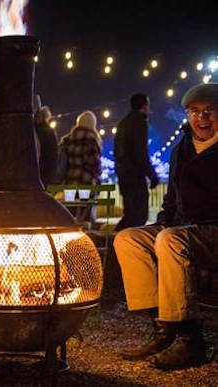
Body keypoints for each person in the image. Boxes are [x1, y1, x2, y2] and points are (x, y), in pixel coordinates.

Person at [114, 83, 218, 370]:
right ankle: (163, 328)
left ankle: (190, 340)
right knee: (128, 239)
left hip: (212, 230)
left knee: (170, 240)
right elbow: (172, 198)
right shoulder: (181, 150)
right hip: (183, 229)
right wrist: (162, 222)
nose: (202, 118)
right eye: (194, 111)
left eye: (209, 111)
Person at [114, 93, 159, 231]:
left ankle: (117, 243)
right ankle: (121, 244)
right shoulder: (139, 122)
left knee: (130, 213)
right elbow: (141, 152)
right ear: (145, 105)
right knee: (138, 216)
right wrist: (152, 175)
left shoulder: (123, 123)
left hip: (124, 175)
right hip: (135, 176)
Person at [55, 110, 102, 186]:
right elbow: (96, 165)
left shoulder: (67, 140)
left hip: (69, 186)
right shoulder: (91, 140)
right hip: (86, 185)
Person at [34, 105, 58, 187]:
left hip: (34, 171)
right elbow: (54, 155)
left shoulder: (32, 129)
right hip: (47, 172)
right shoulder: (49, 131)